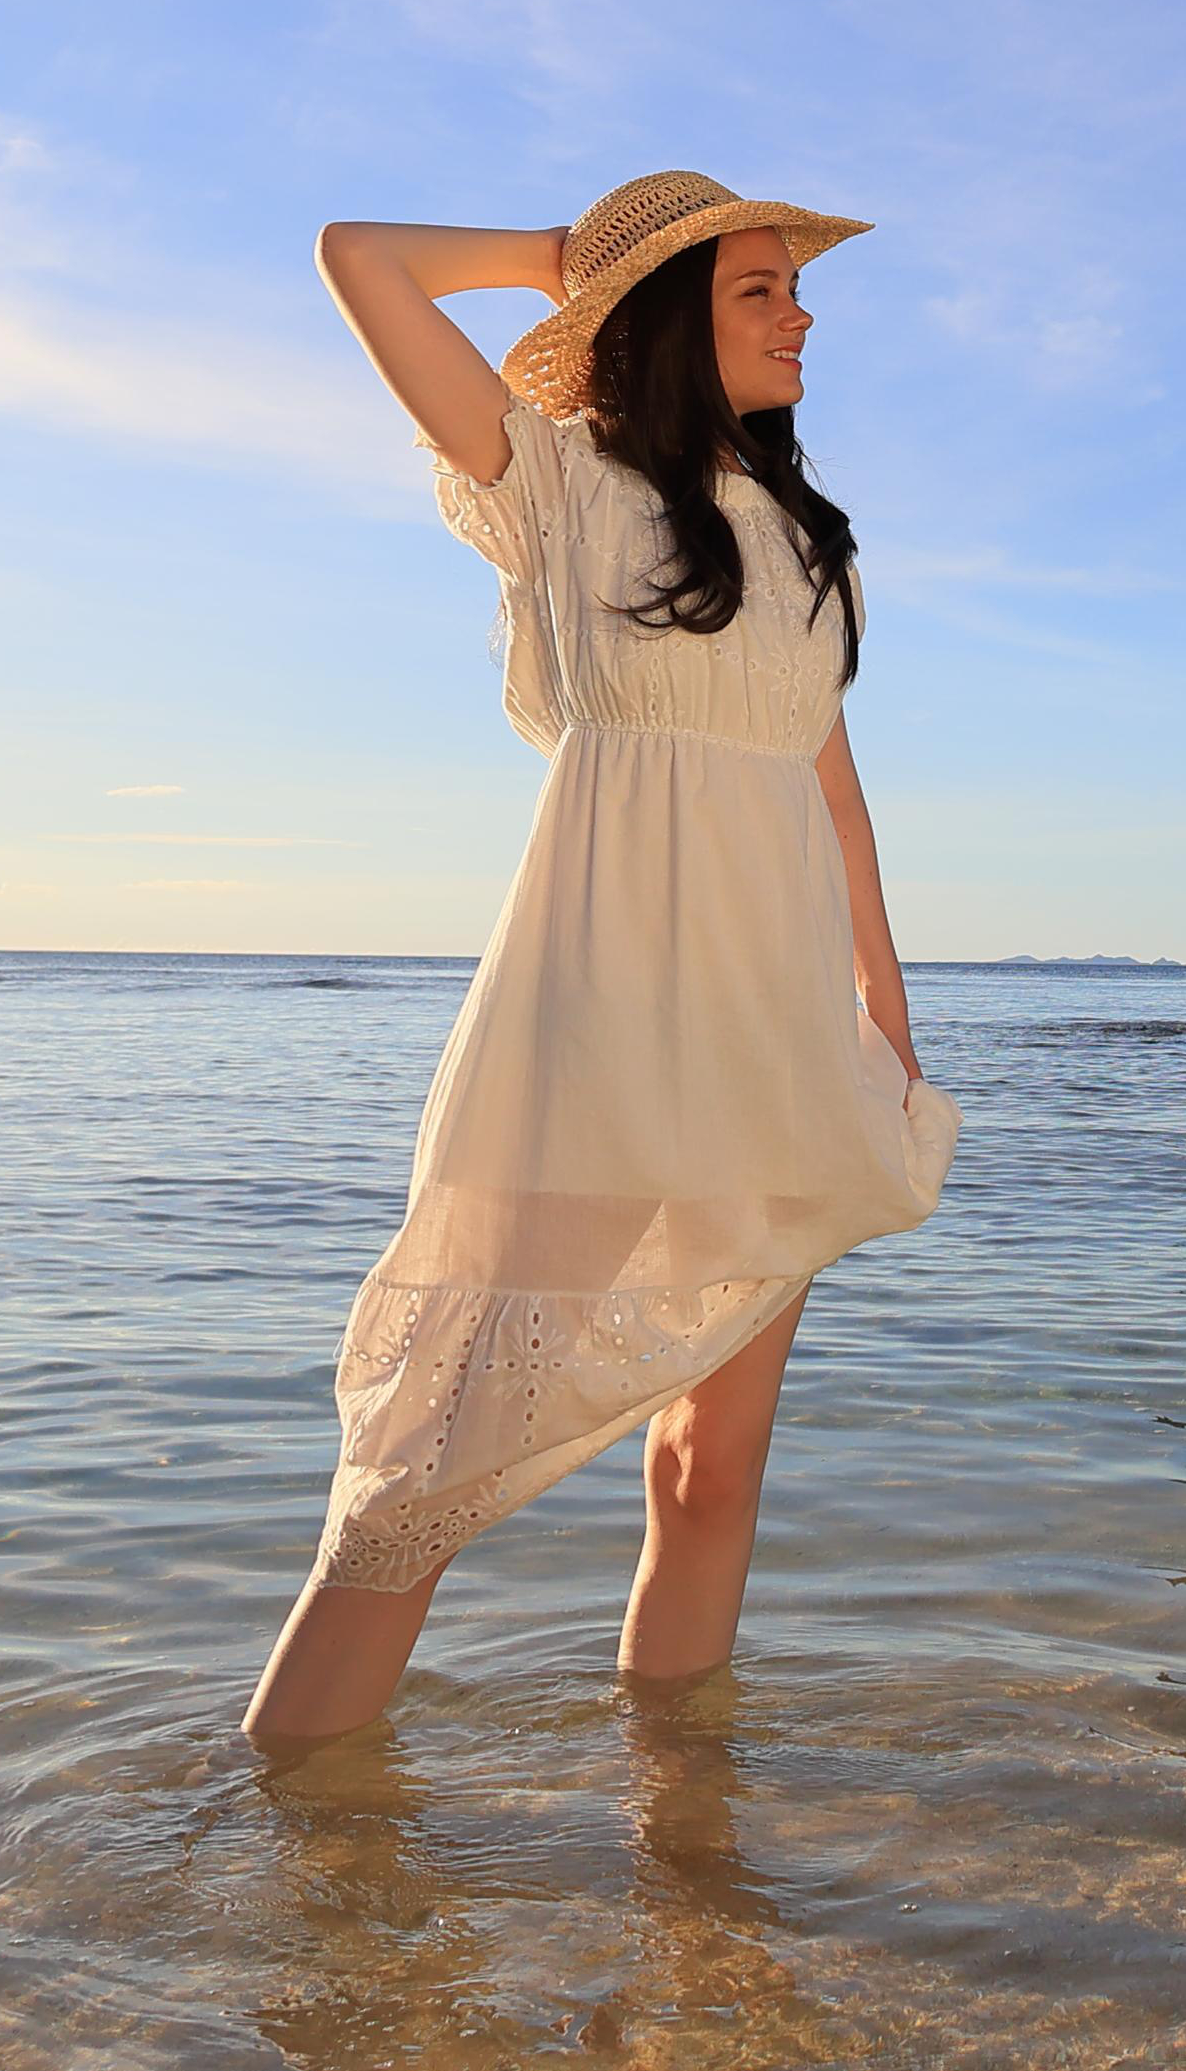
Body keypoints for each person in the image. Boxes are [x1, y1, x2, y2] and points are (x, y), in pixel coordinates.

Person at [242, 170, 958, 1751]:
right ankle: (295, 1834)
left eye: (791, 286)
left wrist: (886, 1039)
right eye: (757, 290)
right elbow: (362, 258)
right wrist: (575, 261)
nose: (803, 315)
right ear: (666, 325)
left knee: (714, 1470)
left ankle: (683, 1838)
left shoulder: (806, 537)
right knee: (423, 1468)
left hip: (776, 1036)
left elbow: (839, 810)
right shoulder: (551, 482)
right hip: (595, 1017)